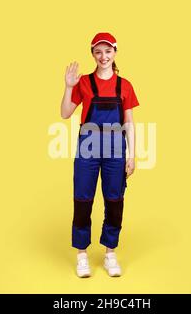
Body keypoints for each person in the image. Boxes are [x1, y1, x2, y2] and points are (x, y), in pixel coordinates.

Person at [60, 32, 139, 277]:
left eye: (107, 51)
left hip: (116, 147)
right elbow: (64, 113)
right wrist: (68, 87)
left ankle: (110, 254)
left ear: (114, 52)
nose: (103, 56)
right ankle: (82, 255)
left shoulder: (124, 85)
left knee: (115, 200)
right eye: (98, 52)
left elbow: (129, 122)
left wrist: (133, 155)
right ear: (93, 54)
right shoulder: (82, 82)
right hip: (88, 146)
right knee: (83, 198)